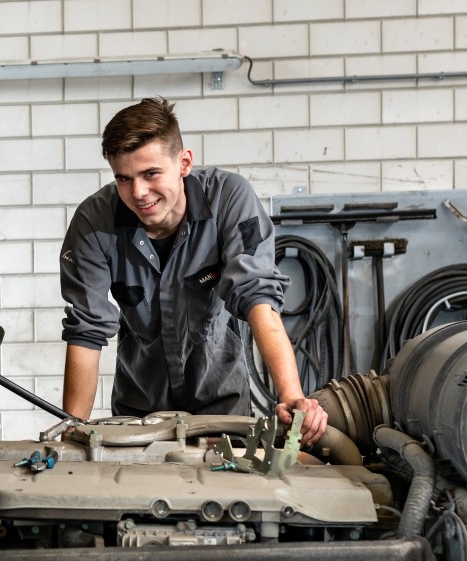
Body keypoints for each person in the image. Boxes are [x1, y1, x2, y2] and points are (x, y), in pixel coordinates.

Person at [59, 97, 328, 445]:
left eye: (150, 174)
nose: (138, 192)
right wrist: (71, 430)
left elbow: (258, 297)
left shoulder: (230, 199)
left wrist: (292, 395)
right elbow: (87, 331)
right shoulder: (94, 223)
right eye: (123, 178)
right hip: (137, 415)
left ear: (184, 162)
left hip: (223, 409)